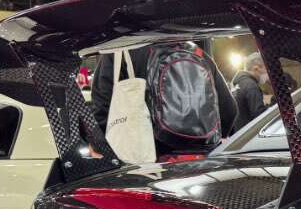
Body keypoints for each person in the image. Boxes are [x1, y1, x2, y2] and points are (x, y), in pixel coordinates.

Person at [91, 42, 238, 143]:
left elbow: (103, 107)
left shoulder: (119, 53)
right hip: (200, 159)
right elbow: (229, 110)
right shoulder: (197, 53)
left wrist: (101, 144)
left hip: (144, 158)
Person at [229, 52, 268, 132]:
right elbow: (259, 115)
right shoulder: (251, 86)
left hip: (238, 133)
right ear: (256, 68)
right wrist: (272, 105)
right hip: (250, 134)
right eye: (266, 69)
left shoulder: (236, 84)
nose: (267, 74)